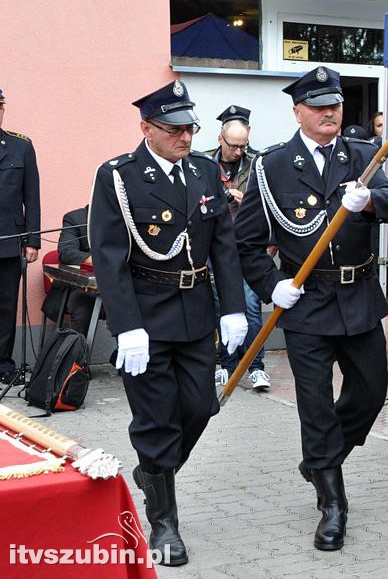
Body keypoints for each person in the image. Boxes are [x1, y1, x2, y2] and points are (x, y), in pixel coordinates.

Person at [235, 65, 388, 551]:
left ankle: (320, 460)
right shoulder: (272, 167)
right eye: (319, 107)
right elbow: (247, 242)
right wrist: (272, 286)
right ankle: (332, 501)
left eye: (335, 105)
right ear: (298, 112)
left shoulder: (365, 155)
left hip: (359, 296)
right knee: (314, 406)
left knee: (370, 393)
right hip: (306, 303)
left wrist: (369, 200)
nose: (330, 113)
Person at [88, 80, 248, 567]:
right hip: (147, 316)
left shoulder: (202, 171)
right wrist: (127, 326)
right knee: (156, 418)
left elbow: (223, 242)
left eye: (190, 127)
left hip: (196, 312)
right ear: (146, 129)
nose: (185, 136)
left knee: (201, 407)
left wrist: (233, 306)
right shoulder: (118, 176)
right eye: (174, 129)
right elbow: (109, 254)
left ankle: (155, 471)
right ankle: (163, 524)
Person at [207, 105, 270, 390]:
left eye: (243, 145)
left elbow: (269, 207)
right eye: (233, 146)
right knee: (222, 307)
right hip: (215, 250)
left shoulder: (259, 164)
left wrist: (244, 199)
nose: (239, 152)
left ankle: (256, 367)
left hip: (247, 247)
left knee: (251, 308)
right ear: (221, 139)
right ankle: (227, 365)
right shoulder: (206, 165)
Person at [0, 87, 40, 385]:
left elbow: (32, 196)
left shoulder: (20, 146)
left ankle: (3, 364)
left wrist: (32, 239)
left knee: (5, 304)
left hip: (9, 239)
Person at [41, 205, 96, 333]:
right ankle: (77, 351)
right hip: (83, 287)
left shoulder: (125, 220)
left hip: (118, 285)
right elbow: (66, 252)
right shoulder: (76, 218)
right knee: (83, 300)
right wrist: (95, 260)